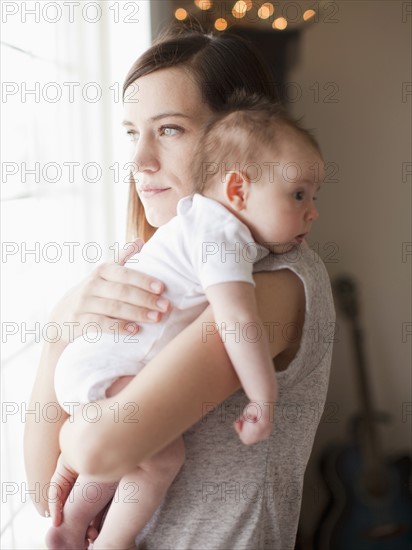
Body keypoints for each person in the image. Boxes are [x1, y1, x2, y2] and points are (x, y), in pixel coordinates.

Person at [24, 24, 335, 550]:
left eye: (169, 129)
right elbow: (42, 493)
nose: (139, 159)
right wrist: (60, 328)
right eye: (131, 132)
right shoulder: (148, 270)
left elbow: (98, 449)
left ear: (237, 147)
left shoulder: (276, 284)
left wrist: (76, 437)